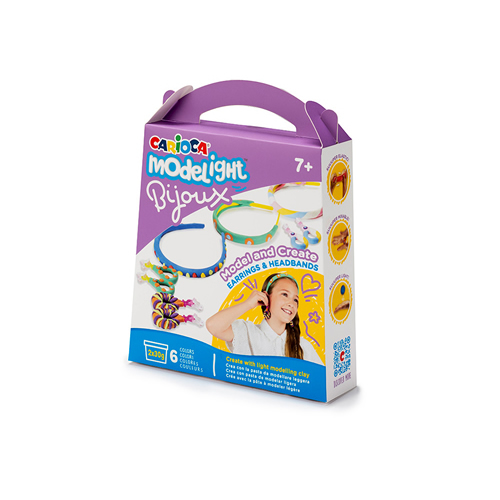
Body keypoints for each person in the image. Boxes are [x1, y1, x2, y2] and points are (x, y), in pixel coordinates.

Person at [206, 272, 322, 364]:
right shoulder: (247, 332)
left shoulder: (304, 346)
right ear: (266, 296)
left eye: (295, 299)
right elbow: (213, 326)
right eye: (284, 294)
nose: (291, 303)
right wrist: (248, 304)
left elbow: (320, 380)